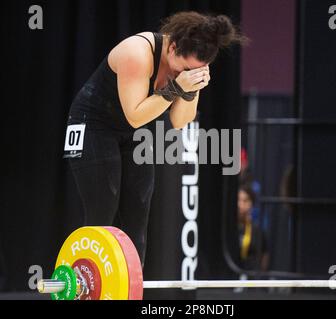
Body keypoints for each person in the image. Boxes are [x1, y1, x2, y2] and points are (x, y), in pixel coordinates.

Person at [63, 11, 246, 266]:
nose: (185, 75)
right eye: (182, 69)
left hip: (134, 132)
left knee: (137, 218)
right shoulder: (136, 53)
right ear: (172, 47)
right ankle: (89, 285)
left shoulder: (190, 68)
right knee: (102, 212)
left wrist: (192, 90)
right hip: (93, 125)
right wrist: (178, 87)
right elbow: (135, 116)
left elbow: (179, 122)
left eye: (194, 71)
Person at [237, 185, 269, 271]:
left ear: (251, 204)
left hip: (251, 278)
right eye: (238, 200)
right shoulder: (227, 230)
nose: (240, 205)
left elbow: (264, 255)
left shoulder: (257, 231)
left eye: (245, 200)